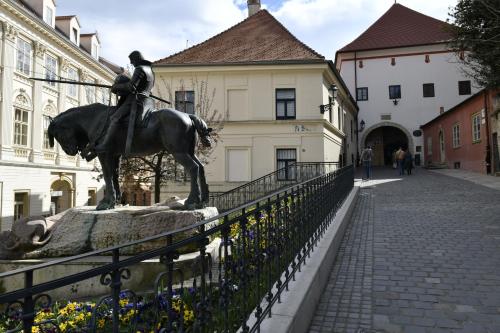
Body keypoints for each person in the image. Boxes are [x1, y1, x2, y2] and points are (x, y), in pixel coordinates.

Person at [95, 50, 155, 152]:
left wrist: (116, 87)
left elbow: (131, 87)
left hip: (135, 100)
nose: (131, 63)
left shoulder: (139, 69)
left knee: (114, 118)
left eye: (132, 60)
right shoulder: (150, 71)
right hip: (147, 100)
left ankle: (105, 144)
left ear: (137, 59)